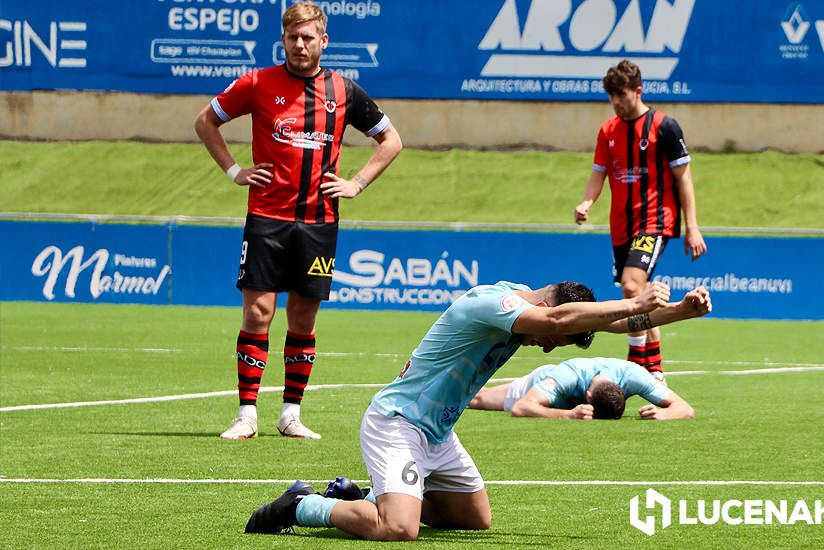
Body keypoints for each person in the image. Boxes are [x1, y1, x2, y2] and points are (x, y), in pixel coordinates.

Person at [243, 280, 712, 540]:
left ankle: (360, 496)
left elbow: (607, 322)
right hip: (398, 423)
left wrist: (680, 313)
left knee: (474, 519)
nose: (548, 349)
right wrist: (633, 298)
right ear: (550, 301)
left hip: (438, 435)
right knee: (400, 529)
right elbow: (556, 320)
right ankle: (304, 505)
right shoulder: (496, 302)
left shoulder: (535, 313)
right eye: (555, 339)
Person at [194, 2, 402, 440]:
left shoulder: (344, 90)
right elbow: (206, 121)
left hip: (319, 222)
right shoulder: (257, 83)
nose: (300, 45)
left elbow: (391, 140)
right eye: (293, 38)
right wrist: (235, 171)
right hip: (266, 217)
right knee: (258, 311)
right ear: (283, 40)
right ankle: (246, 414)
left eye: (308, 38)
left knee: (303, 319)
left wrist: (357, 183)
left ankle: (291, 413)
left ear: (323, 41)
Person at [573, 59, 707, 384]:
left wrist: (692, 226)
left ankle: (635, 364)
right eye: (611, 96)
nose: (616, 102)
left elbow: (684, 178)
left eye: (621, 95)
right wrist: (587, 202)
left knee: (632, 287)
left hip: (655, 220)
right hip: (620, 226)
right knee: (641, 293)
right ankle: (656, 371)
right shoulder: (607, 131)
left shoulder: (665, 127)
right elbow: (598, 175)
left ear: (638, 91)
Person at [468, 357, 693, 420]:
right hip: (543, 382)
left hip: (558, 387)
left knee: (478, 394)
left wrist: (664, 414)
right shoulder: (569, 375)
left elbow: (685, 407)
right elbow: (521, 407)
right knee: (476, 399)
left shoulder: (634, 376)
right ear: (587, 396)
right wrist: (568, 414)